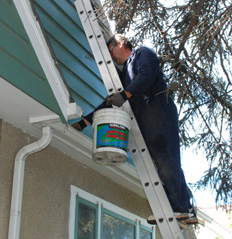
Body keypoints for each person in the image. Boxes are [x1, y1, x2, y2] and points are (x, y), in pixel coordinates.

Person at [72, 34, 197, 224]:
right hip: (147, 119)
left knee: (165, 159)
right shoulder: (123, 77)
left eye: (111, 51)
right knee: (161, 163)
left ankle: (180, 208)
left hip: (158, 111)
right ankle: (184, 209)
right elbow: (111, 103)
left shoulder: (142, 53)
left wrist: (127, 93)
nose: (112, 57)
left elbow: (147, 75)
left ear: (120, 43)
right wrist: (84, 123)